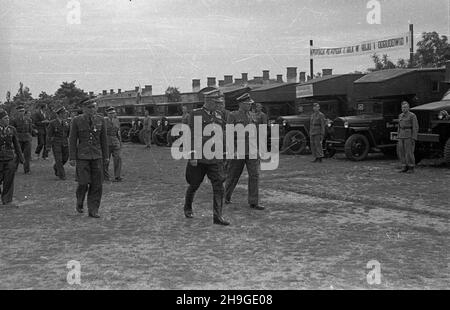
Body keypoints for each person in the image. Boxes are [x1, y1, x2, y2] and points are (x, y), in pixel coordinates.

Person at [183, 91, 230, 226]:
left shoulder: (219, 115)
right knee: (194, 184)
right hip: (200, 158)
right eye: (216, 103)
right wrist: (192, 155)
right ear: (208, 102)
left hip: (215, 158)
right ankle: (187, 207)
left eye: (219, 103)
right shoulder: (196, 114)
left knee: (219, 186)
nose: (218, 105)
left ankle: (218, 216)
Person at [69, 98, 108, 218]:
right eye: (89, 107)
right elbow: (72, 139)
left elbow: (103, 140)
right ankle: (79, 201)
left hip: (97, 156)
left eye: (94, 107)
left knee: (97, 184)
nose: (92, 109)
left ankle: (93, 210)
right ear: (84, 109)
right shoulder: (77, 120)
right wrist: (72, 157)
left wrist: (106, 156)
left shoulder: (101, 120)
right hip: (82, 156)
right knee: (83, 183)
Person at [225, 93, 264, 210]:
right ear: (241, 104)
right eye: (247, 104)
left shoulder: (252, 116)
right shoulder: (233, 115)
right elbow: (229, 134)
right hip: (239, 150)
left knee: (254, 175)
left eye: (250, 104)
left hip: (252, 150)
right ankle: (226, 196)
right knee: (233, 175)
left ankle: (253, 202)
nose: (249, 106)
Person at [0, 109, 25, 207]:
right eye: (5, 118)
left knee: (9, 179)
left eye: (8, 118)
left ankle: (7, 199)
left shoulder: (12, 129)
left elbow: (17, 144)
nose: (8, 120)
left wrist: (21, 157)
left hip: (10, 158)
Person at [47, 107, 70, 180]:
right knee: (59, 159)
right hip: (56, 143)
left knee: (65, 158)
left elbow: (68, 133)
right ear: (59, 114)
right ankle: (62, 175)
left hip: (65, 142)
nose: (65, 114)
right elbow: (49, 135)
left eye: (65, 113)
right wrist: (48, 146)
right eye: (64, 113)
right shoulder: (52, 123)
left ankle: (56, 167)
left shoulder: (66, 122)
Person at [397, 101, 419, 173]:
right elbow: (399, 127)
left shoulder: (412, 115)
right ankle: (404, 166)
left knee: (409, 152)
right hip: (401, 136)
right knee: (401, 152)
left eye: (405, 107)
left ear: (408, 108)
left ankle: (411, 167)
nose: (404, 109)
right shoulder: (400, 116)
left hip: (409, 135)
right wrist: (398, 135)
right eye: (403, 107)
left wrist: (414, 137)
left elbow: (415, 127)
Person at [10, 105, 33, 174]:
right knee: (17, 155)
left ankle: (27, 170)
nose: (22, 112)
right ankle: (14, 169)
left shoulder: (28, 120)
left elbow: (30, 130)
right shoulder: (14, 120)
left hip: (27, 138)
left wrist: (30, 136)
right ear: (17, 112)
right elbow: (12, 130)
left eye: (23, 111)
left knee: (27, 155)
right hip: (18, 139)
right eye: (20, 111)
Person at [104, 107, 122, 182]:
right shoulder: (104, 121)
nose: (112, 115)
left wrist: (120, 142)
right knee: (106, 160)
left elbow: (118, 132)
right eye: (110, 113)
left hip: (115, 142)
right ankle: (105, 176)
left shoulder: (117, 121)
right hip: (107, 142)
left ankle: (117, 176)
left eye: (113, 113)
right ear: (107, 114)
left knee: (118, 159)